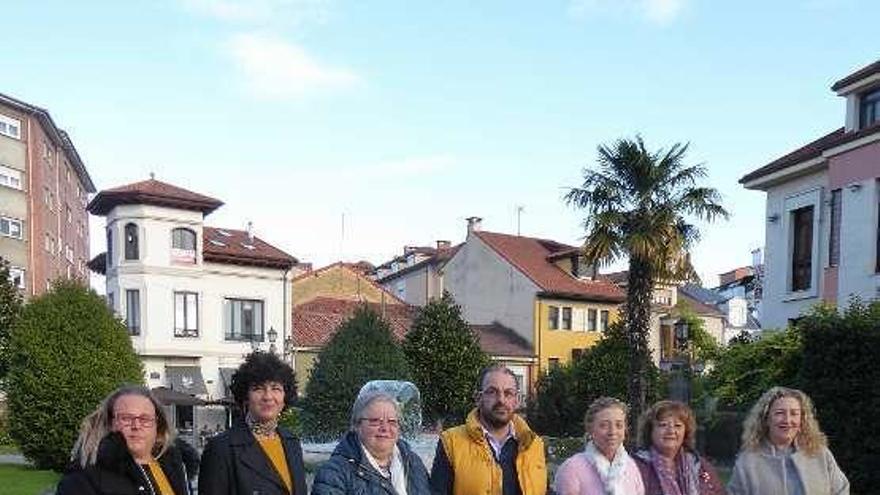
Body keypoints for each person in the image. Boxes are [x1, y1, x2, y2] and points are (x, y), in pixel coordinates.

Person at [57, 385, 199, 495]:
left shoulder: (175, 464)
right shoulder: (85, 474)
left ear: (157, 424)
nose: (136, 426)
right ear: (111, 423)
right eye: (126, 418)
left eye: (145, 419)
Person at [199, 351, 307, 495]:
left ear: (284, 398)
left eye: (275, 388)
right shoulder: (222, 448)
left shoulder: (291, 442)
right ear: (246, 398)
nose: (268, 396)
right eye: (258, 389)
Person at [430, 364, 546, 495]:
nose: (501, 400)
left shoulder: (534, 444)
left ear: (517, 400)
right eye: (492, 392)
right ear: (478, 398)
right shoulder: (451, 443)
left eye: (508, 393)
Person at [728, 386, 849, 495]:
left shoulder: (820, 454)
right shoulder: (747, 462)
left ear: (802, 420)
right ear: (766, 419)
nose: (787, 420)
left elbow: (841, 490)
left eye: (794, 414)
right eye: (779, 413)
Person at [311, 390, 430, 494]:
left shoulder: (413, 462)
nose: (385, 428)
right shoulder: (335, 473)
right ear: (357, 425)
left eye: (392, 421)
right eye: (375, 421)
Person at [554, 397, 644, 495]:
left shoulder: (631, 467)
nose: (612, 432)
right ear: (591, 429)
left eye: (619, 425)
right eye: (604, 425)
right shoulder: (572, 469)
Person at [632, 400, 726, 495]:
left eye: (677, 425)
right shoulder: (635, 467)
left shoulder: (700, 466)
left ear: (686, 432)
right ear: (650, 430)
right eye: (663, 425)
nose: (671, 431)